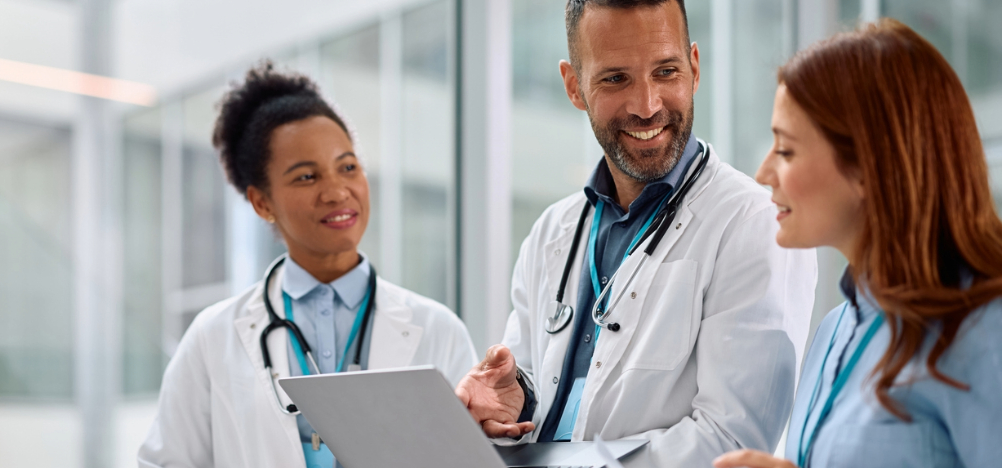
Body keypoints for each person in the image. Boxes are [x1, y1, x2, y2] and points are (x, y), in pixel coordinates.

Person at [454, 1, 818, 466]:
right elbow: (540, 386)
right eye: (615, 79)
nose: (647, 106)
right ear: (574, 86)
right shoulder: (551, 232)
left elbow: (733, 440)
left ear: (694, 68)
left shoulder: (753, 223)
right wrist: (515, 400)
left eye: (666, 72)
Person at [138, 62, 478, 468]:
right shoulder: (213, 337)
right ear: (262, 202)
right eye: (306, 177)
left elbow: (469, 459)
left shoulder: (439, 330)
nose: (337, 192)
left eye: (348, 167)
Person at [713, 19, 1002, 468]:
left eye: (786, 150)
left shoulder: (984, 333)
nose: (763, 173)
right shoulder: (833, 331)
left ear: (869, 165)